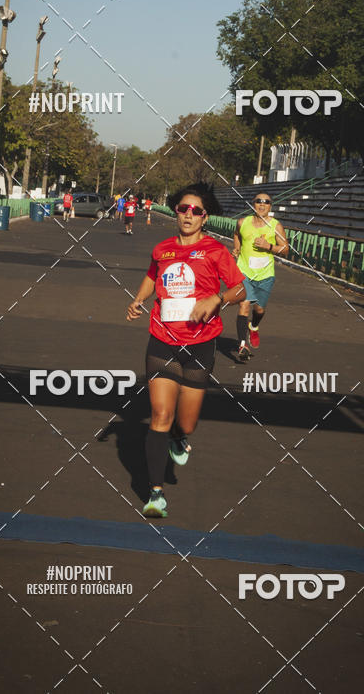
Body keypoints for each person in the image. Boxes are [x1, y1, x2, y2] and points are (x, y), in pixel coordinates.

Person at [126, 182, 245, 518]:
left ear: (205, 217)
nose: (188, 215)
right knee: (160, 415)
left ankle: (180, 438)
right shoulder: (162, 249)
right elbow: (152, 276)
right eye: (183, 208)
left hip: (200, 344)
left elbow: (239, 288)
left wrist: (215, 299)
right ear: (175, 211)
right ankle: (155, 493)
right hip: (162, 340)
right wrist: (139, 299)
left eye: (196, 211)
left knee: (186, 423)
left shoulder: (215, 251)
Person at [231, 193, 288, 362]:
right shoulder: (242, 222)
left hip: (265, 274)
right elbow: (236, 234)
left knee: (259, 310)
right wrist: (238, 248)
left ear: (271, 206)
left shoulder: (276, 226)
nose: (262, 205)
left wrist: (268, 246)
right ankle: (243, 345)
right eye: (258, 202)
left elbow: (285, 250)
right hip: (244, 271)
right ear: (253, 204)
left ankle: (254, 326)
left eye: (266, 203)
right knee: (244, 304)